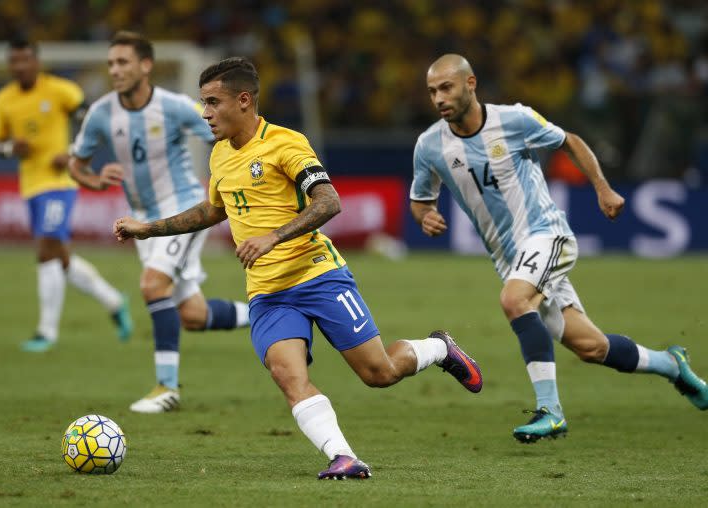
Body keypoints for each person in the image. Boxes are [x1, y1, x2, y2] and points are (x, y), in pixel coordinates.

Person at [112, 56, 483, 478]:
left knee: (379, 373)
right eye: (203, 103)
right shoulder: (219, 156)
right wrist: (150, 229)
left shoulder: (286, 143)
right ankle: (344, 457)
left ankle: (439, 348)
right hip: (268, 294)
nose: (206, 113)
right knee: (288, 374)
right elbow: (213, 211)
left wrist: (272, 237)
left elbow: (329, 201)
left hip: (318, 275)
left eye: (213, 102)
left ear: (245, 100)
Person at [410, 54, 708, 443]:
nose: (438, 99)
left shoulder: (514, 120)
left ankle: (550, 411)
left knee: (515, 300)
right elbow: (420, 197)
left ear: (470, 84)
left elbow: (570, 141)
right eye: (432, 91)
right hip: (509, 258)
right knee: (591, 346)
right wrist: (424, 216)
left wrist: (603, 188)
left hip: (547, 234)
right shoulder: (430, 145)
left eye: (446, 87)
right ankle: (672, 364)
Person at [69, 32, 249, 414]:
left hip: (182, 208)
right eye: (111, 63)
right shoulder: (102, 113)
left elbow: (233, 136)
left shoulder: (176, 107)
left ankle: (167, 388)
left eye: (123, 62)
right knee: (193, 316)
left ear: (145, 65)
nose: (115, 70)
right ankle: (269, 309)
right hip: (143, 222)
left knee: (152, 284)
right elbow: (76, 164)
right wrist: (95, 180)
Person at [0, 38, 133, 353]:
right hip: (31, 185)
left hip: (60, 182)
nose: (20, 66)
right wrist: (12, 148)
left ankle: (46, 332)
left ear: (36, 61)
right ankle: (113, 301)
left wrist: (70, 152)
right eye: (14, 61)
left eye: (25, 59)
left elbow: (93, 123)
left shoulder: (60, 90)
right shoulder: (4, 99)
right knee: (60, 258)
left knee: (45, 249)